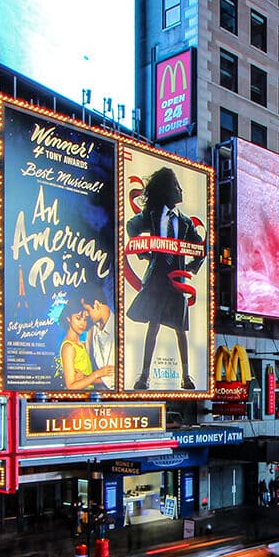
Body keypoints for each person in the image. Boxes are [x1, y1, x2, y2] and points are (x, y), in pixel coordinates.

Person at [125, 167, 205, 391]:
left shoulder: (185, 222)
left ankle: (186, 376)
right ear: (167, 189)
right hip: (157, 279)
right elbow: (131, 226)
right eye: (177, 186)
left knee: (180, 328)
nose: (181, 190)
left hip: (176, 280)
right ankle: (144, 376)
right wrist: (143, 251)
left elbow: (201, 247)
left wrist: (191, 267)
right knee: (154, 324)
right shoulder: (152, 215)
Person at [59, 303, 114, 390]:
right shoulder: (68, 347)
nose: (82, 324)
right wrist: (96, 374)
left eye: (85, 319)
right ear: (68, 318)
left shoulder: (82, 343)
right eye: (78, 318)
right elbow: (71, 386)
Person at [80, 284, 116, 390]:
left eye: (87, 310)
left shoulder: (118, 329)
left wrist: (85, 379)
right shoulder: (92, 329)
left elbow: (113, 377)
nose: (85, 315)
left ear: (96, 305)